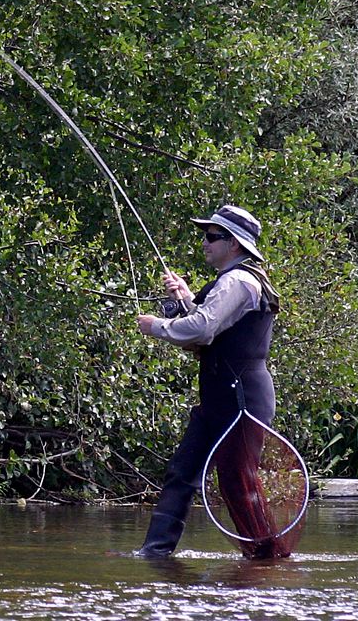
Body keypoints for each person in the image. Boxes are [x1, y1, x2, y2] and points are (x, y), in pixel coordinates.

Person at [132, 204, 282, 559]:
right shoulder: (230, 281)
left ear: (235, 244)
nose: (204, 242)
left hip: (242, 401)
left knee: (236, 482)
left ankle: (267, 560)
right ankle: (154, 553)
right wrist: (184, 299)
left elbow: (201, 329)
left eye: (213, 236)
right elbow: (205, 328)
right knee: (182, 473)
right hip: (218, 398)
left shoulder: (239, 281)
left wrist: (156, 326)